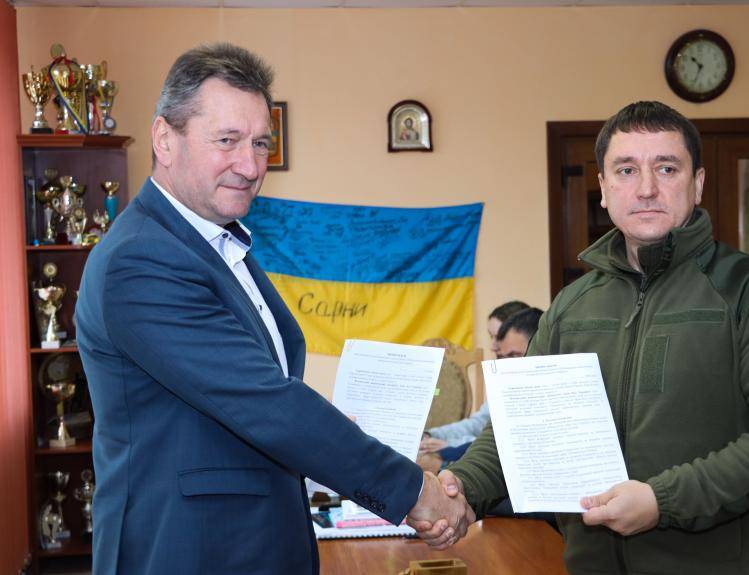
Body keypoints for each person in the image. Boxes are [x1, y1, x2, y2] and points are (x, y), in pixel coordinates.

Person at [76, 43, 471, 575]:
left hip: (250, 543)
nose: (250, 165)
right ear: (164, 139)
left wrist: (325, 431)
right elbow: (265, 403)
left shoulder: (219, 244)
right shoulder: (142, 259)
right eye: (227, 140)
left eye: (261, 143)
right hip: (188, 550)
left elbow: (255, 397)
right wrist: (414, 491)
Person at [422, 101, 749, 572]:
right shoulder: (572, 306)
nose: (647, 188)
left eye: (667, 168)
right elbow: (518, 429)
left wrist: (663, 500)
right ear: (603, 188)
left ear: (697, 183)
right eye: (626, 170)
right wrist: (462, 487)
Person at [419, 307, 541, 474]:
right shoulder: (506, 379)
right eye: (492, 337)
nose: (493, 346)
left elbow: (507, 444)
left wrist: (449, 447)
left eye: (498, 336)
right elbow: (479, 424)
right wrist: (431, 435)